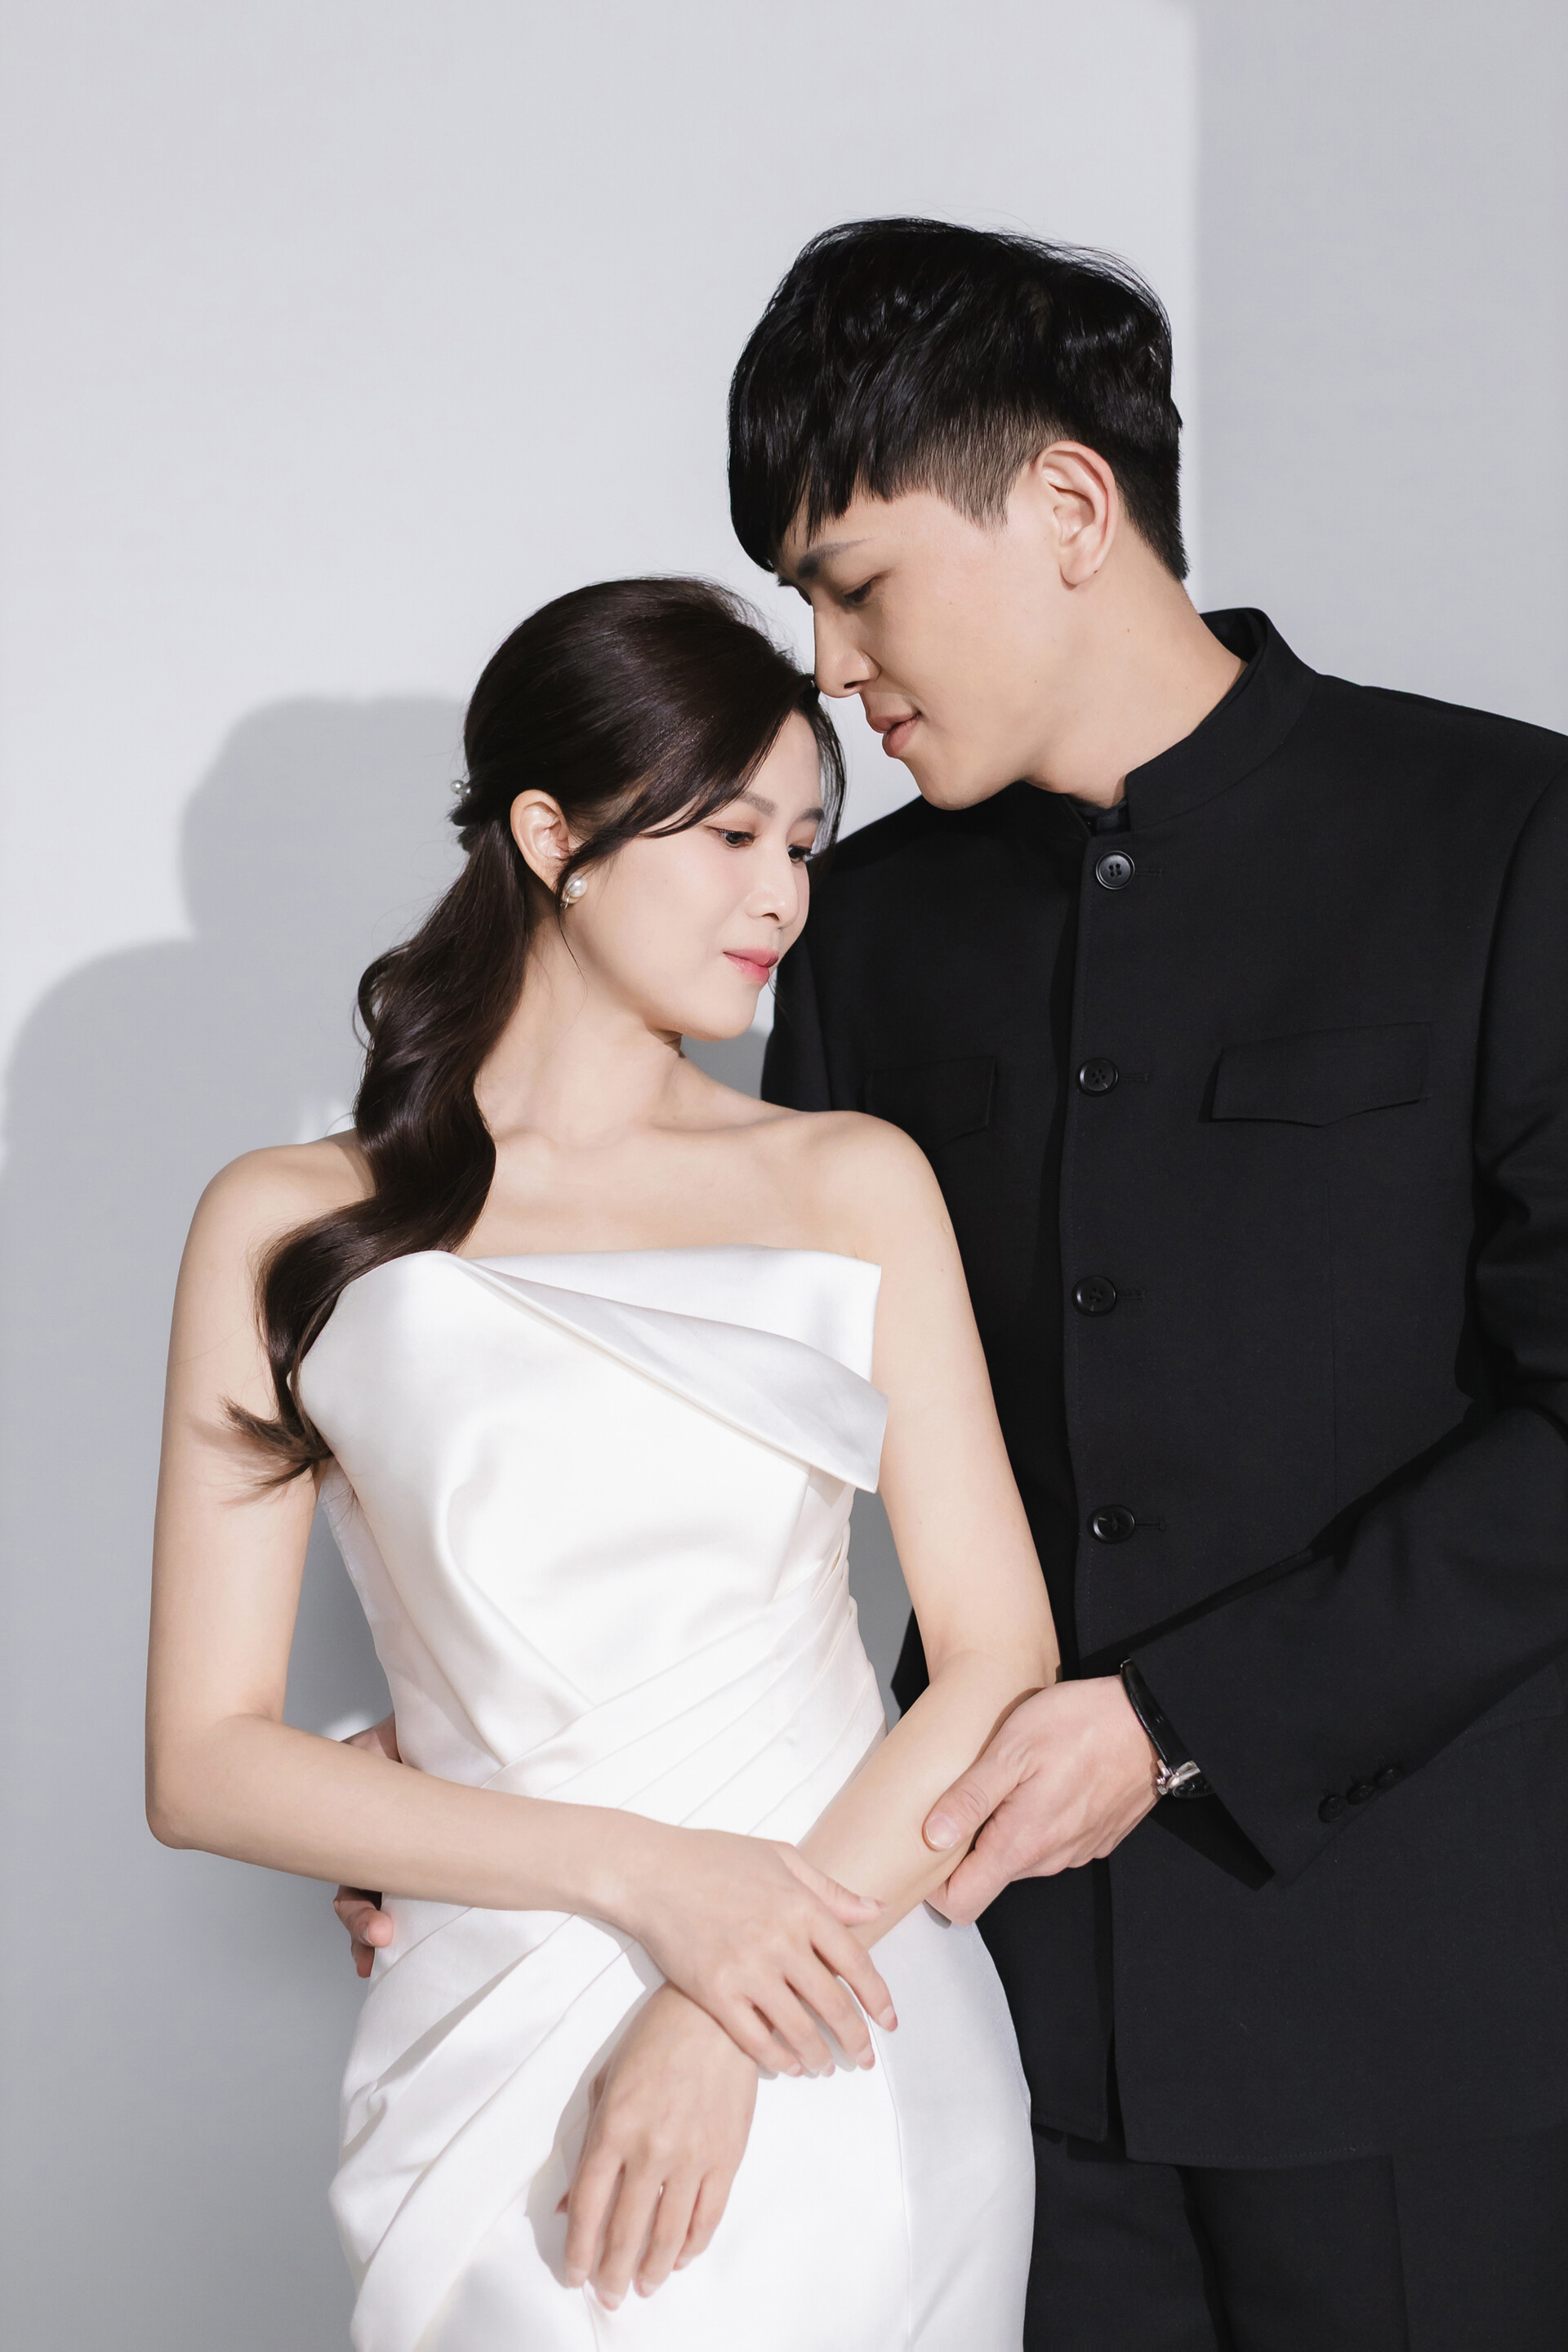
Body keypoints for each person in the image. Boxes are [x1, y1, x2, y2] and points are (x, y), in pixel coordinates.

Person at [732, 220, 1568, 2348]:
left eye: (856, 582)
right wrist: (479, 1770)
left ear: (1070, 506)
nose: (828, 663)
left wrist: (1185, 1725)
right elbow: (761, 1447)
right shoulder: (861, 932)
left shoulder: (1505, 838)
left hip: (1424, 2028)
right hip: (991, 2016)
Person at [145, 575, 1051, 2349]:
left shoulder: (849, 1181)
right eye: (731, 835)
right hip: (489, 2024)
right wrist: (652, 1877)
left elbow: (997, 1654)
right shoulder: (288, 1223)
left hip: (834, 2018)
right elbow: (206, 1762)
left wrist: (723, 2005)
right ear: (552, 834)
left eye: (805, 842)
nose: (783, 894)